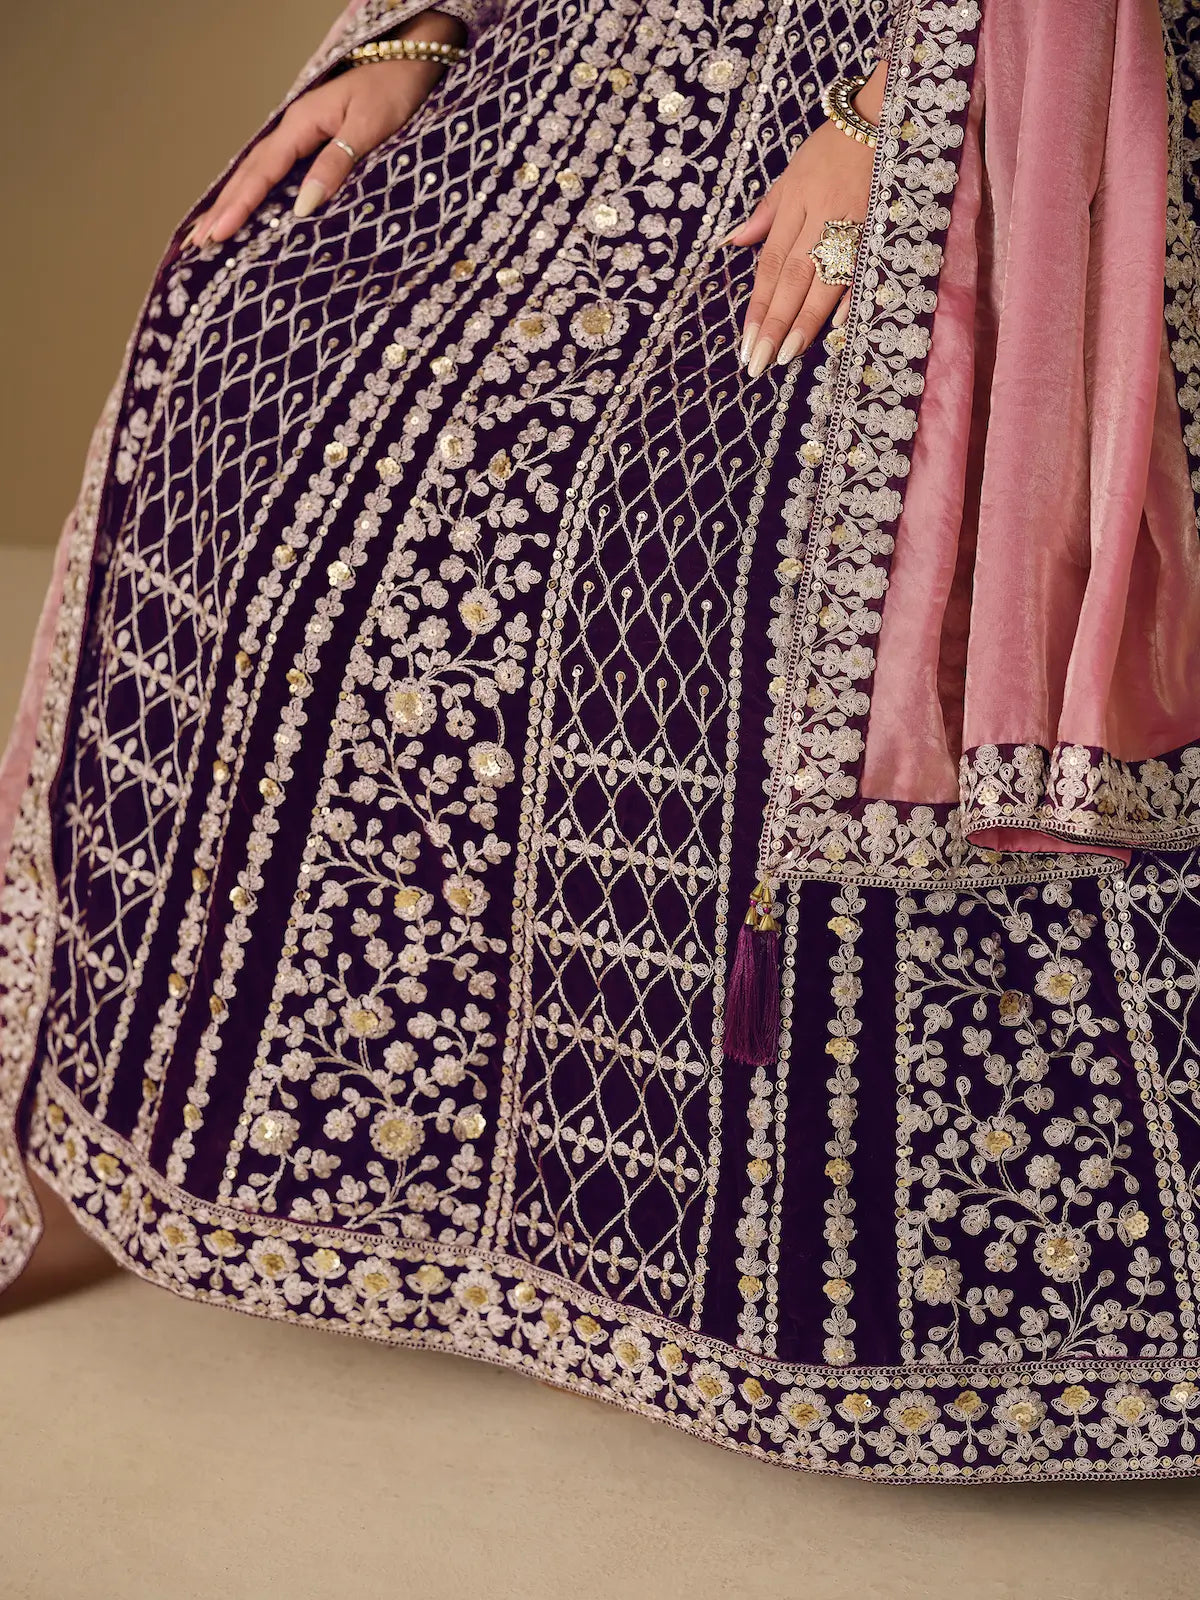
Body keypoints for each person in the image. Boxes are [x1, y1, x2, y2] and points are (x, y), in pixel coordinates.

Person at [2, 0, 1200, 1484]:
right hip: (600, 49)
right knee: (247, 336)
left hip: (950, 65)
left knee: (699, 508)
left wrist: (889, 116)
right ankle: (238, 1137)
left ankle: (762, 1259)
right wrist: (421, 28)